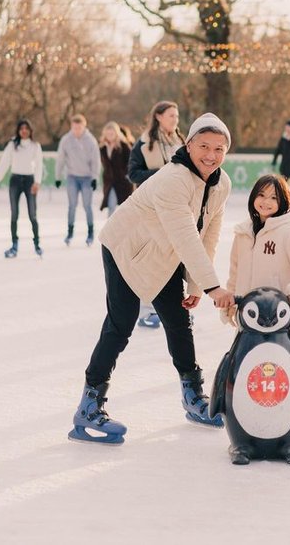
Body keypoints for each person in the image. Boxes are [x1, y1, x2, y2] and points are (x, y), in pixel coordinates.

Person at [68, 113, 235, 445]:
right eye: (204, 146)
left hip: (165, 253)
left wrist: (197, 286)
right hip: (125, 248)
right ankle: (89, 406)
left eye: (219, 149)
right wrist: (215, 287)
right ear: (189, 145)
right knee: (121, 324)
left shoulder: (222, 184)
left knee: (178, 322)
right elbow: (186, 235)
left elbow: (208, 235)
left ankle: (192, 397)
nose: (211, 155)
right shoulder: (173, 178)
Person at [223, 174, 290, 347]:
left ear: (283, 201)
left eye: (273, 197)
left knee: (281, 365)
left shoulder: (288, 232)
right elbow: (235, 272)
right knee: (248, 363)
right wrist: (232, 300)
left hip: (281, 317)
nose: (266, 201)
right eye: (261, 195)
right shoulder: (243, 234)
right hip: (249, 314)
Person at [128, 101, 185, 328]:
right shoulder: (143, 144)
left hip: (178, 209)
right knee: (152, 258)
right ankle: (149, 308)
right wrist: (160, 174)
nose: (175, 119)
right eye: (171, 115)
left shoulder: (182, 142)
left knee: (176, 259)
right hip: (151, 210)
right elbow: (133, 174)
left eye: (177, 115)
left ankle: (176, 308)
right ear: (159, 117)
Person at [0, 118, 43, 258]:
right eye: (21, 128)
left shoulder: (35, 146)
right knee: (14, 214)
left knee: (32, 214)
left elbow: (39, 165)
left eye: (26, 128)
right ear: (18, 131)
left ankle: (37, 244)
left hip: (29, 181)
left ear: (30, 130)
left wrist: (37, 182)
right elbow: (4, 163)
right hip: (15, 181)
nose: (24, 131)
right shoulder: (13, 145)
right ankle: (14, 245)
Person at [56, 114, 101, 247]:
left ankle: (90, 233)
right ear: (71, 127)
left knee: (87, 206)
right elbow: (60, 159)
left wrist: (94, 177)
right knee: (72, 206)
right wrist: (58, 177)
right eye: (74, 128)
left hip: (87, 178)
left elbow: (96, 161)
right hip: (72, 177)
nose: (76, 131)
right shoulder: (66, 140)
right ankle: (70, 233)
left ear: (84, 127)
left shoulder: (90, 140)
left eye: (79, 128)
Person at [99, 122, 134, 217]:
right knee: (111, 205)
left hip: (123, 182)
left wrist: (128, 175)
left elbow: (131, 161)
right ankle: (110, 230)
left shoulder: (124, 146)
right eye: (108, 134)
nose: (110, 136)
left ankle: (126, 229)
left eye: (112, 133)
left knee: (126, 208)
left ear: (116, 133)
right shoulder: (102, 148)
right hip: (110, 182)